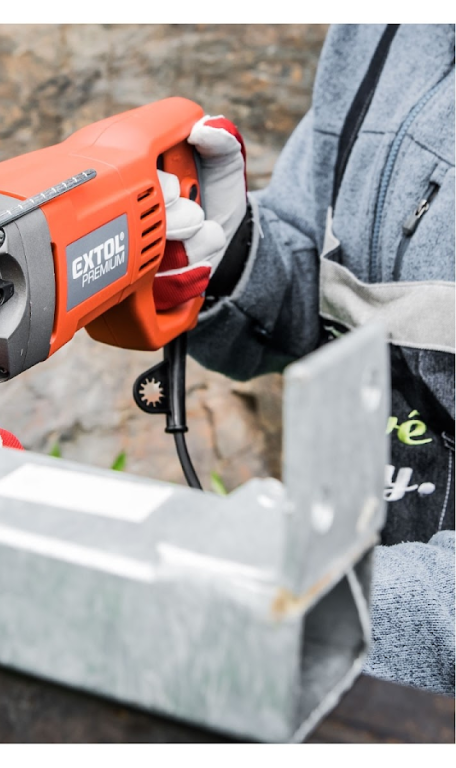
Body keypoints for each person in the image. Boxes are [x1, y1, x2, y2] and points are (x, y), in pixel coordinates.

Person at [153, 23, 455, 694]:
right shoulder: (384, 30)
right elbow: (324, 284)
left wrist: (332, 612)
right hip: (345, 570)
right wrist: (229, 257)